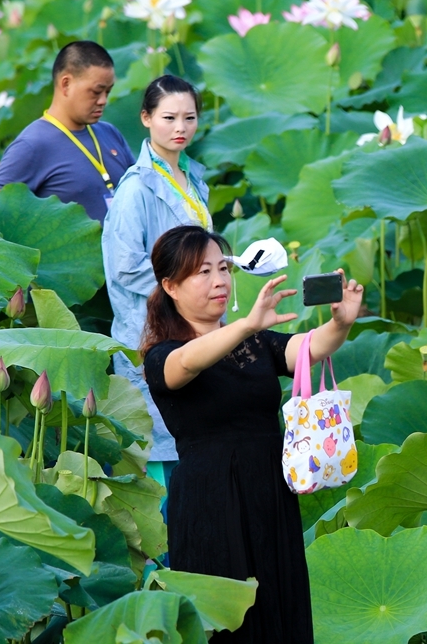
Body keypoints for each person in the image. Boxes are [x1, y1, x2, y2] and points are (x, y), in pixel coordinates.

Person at [142, 225, 363, 642]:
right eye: (202, 272)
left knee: (281, 606)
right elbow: (187, 364)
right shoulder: (162, 355)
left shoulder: (256, 343)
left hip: (269, 493)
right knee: (228, 623)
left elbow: (309, 348)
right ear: (170, 286)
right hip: (211, 502)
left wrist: (342, 323)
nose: (219, 280)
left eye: (223, 268)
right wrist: (245, 325)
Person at [102, 74, 210, 480]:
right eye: (169, 118)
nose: (180, 128)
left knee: (193, 453)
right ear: (146, 118)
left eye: (189, 117)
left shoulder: (194, 179)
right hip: (150, 335)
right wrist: (187, 286)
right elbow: (126, 267)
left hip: (192, 331)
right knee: (159, 463)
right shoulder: (135, 190)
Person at [0, 40, 135, 222]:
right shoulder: (32, 144)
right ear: (66, 84)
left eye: (107, 92)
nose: (103, 100)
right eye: (96, 92)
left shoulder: (110, 133)